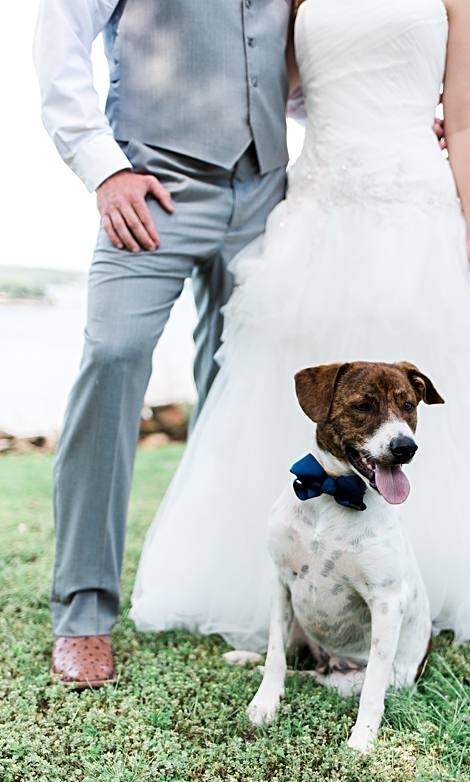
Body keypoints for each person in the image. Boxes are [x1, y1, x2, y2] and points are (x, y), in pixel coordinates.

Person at [131, 0, 470, 650]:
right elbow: (272, 89)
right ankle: (287, 577)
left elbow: (462, 121)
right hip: (318, 213)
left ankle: (432, 575)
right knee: (299, 389)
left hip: (416, 215)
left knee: (418, 400)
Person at [34, 0, 291, 687]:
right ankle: (83, 613)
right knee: (113, 356)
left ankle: (223, 582)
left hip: (268, 190)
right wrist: (102, 166)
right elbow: (61, 37)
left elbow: (278, 71)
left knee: (244, 385)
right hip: (153, 185)